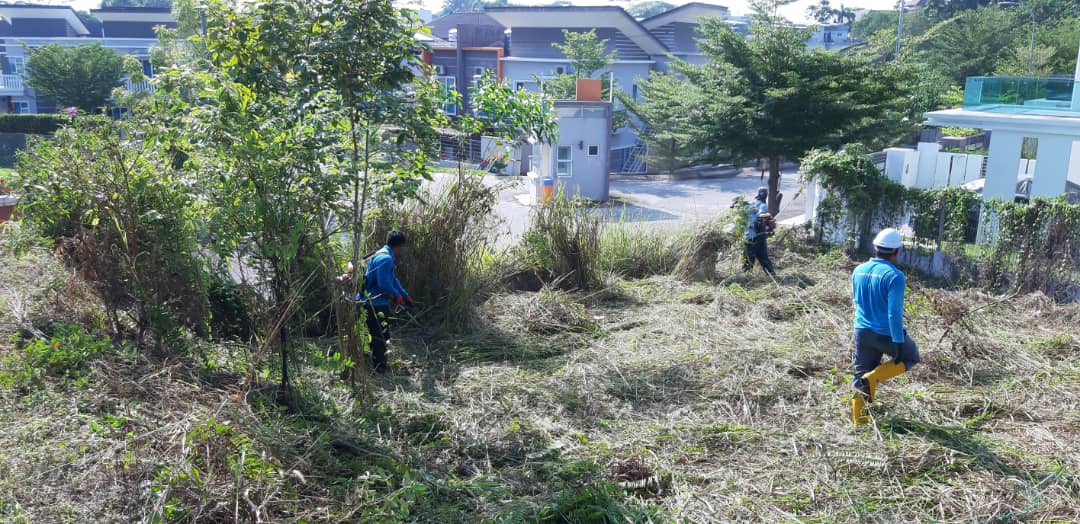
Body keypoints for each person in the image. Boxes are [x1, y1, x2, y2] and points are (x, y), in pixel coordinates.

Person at [850, 228, 921, 425]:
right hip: (885, 334)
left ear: (875, 248)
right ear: (896, 251)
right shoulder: (895, 276)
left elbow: (857, 301)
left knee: (860, 374)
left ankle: (859, 422)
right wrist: (898, 343)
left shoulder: (858, 270)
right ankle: (875, 377)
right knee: (911, 356)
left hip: (862, 331)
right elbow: (894, 314)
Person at [361, 230, 413, 374]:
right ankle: (380, 369)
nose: (403, 251)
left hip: (371, 301)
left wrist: (404, 295)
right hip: (373, 303)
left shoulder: (382, 254)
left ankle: (371, 364)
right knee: (380, 336)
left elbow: (392, 279)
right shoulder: (386, 259)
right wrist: (396, 297)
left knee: (378, 334)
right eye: (403, 247)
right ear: (399, 246)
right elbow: (384, 284)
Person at [743, 188, 775, 275]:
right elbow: (761, 215)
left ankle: (746, 276)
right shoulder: (761, 205)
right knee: (763, 258)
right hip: (759, 236)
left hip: (752, 237)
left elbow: (760, 215)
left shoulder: (749, 206)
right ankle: (771, 275)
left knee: (749, 259)